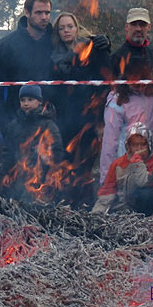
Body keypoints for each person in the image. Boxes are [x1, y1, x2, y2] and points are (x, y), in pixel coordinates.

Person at [50, 11, 111, 207]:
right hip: (64, 117)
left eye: (69, 26)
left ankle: (84, 205)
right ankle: (66, 204)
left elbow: (104, 77)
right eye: (62, 28)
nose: (66, 31)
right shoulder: (53, 56)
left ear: (76, 28)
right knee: (65, 162)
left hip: (88, 116)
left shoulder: (90, 49)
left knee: (85, 164)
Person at [0, 0, 54, 138]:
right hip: (16, 124)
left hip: (52, 126)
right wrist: (6, 124)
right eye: (38, 12)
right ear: (27, 12)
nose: (44, 17)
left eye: (47, 13)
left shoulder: (56, 42)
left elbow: (79, 43)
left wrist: (99, 42)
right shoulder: (7, 45)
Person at [99, 61, 153, 184]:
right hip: (126, 163)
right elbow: (110, 140)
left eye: (143, 84)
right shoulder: (117, 99)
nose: (140, 88)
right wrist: (105, 177)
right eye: (136, 85)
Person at [0, 85, 64, 202]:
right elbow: (9, 150)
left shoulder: (48, 125)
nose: (26, 103)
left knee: (37, 206)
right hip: (19, 175)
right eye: (22, 100)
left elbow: (57, 149)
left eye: (30, 99)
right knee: (15, 205)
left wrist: (51, 169)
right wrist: (7, 172)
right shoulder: (14, 125)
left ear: (39, 102)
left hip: (41, 176)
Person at [92, 122, 153, 216]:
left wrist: (138, 163)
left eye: (142, 145)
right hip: (123, 210)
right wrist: (98, 212)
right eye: (135, 145)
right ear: (128, 146)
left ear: (149, 145)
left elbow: (142, 182)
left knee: (145, 193)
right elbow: (108, 190)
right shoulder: (118, 164)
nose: (139, 148)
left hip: (150, 210)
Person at [111, 7, 153, 78]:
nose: (138, 29)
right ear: (126, 27)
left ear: (149, 27)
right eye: (134, 24)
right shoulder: (115, 59)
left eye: (142, 24)